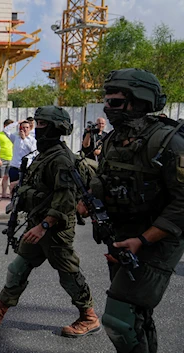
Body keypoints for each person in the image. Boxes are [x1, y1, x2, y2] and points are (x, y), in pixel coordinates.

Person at [0, 106, 101, 338]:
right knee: (19, 267)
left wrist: (45, 225)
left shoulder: (61, 158)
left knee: (68, 272)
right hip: (38, 225)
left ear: (55, 128)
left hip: (54, 229)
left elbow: (65, 199)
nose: (37, 129)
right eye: (36, 124)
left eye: (41, 124)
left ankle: (89, 316)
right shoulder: (46, 154)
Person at [79, 68, 184, 353]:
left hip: (157, 239)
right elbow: (105, 179)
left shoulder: (167, 142)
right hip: (124, 236)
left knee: (118, 320)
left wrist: (144, 239)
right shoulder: (113, 140)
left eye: (115, 102)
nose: (107, 108)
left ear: (139, 102)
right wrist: (89, 200)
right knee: (137, 318)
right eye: (106, 101)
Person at [5, 120, 37, 189]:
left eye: (27, 127)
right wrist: (18, 122)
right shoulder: (15, 138)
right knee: (13, 188)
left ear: (29, 128)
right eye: (23, 127)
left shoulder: (32, 140)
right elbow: (6, 130)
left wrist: (24, 139)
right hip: (15, 167)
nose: (25, 129)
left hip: (26, 168)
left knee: (24, 188)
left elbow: (33, 150)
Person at [0, 119, 13, 201]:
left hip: (10, 158)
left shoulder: (11, 135)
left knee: (6, 177)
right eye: (10, 126)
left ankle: (4, 193)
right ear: (5, 126)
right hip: (1, 158)